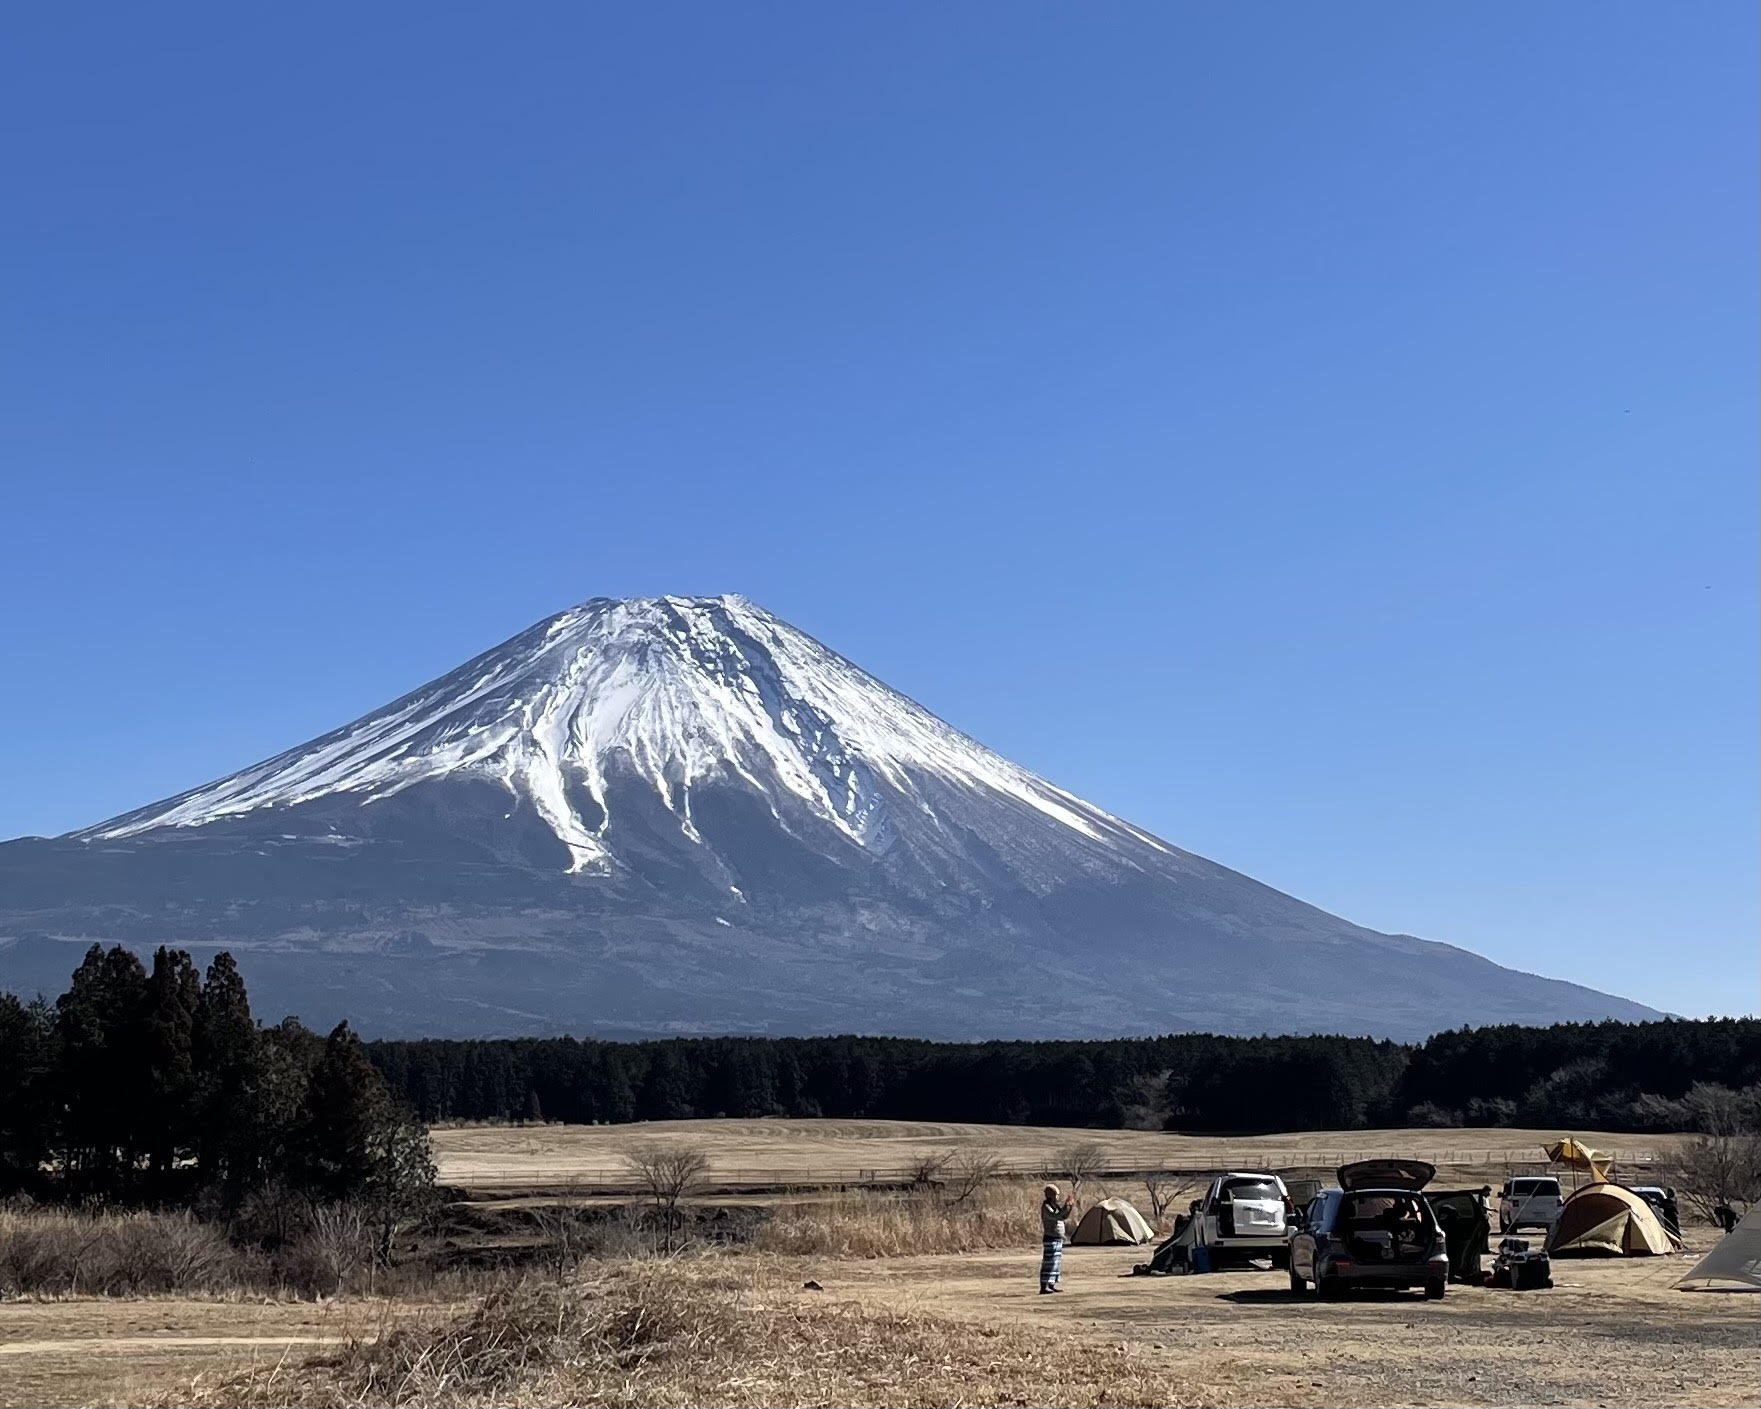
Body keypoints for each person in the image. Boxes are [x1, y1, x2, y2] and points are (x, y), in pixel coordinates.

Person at [1039, 1182, 1077, 1293]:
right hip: (1050, 1237)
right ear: (1050, 1195)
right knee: (1048, 1263)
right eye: (1056, 1195)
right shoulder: (1046, 1207)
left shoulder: (1054, 1206)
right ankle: (1044, 1285)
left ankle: (1051, 1284)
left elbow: (1063, 1216)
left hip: (1057, 1238)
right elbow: (1056, 1216)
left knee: (1055, 1263)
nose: (1058, 1197)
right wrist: (1065, 1207)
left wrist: (1069, 1207)